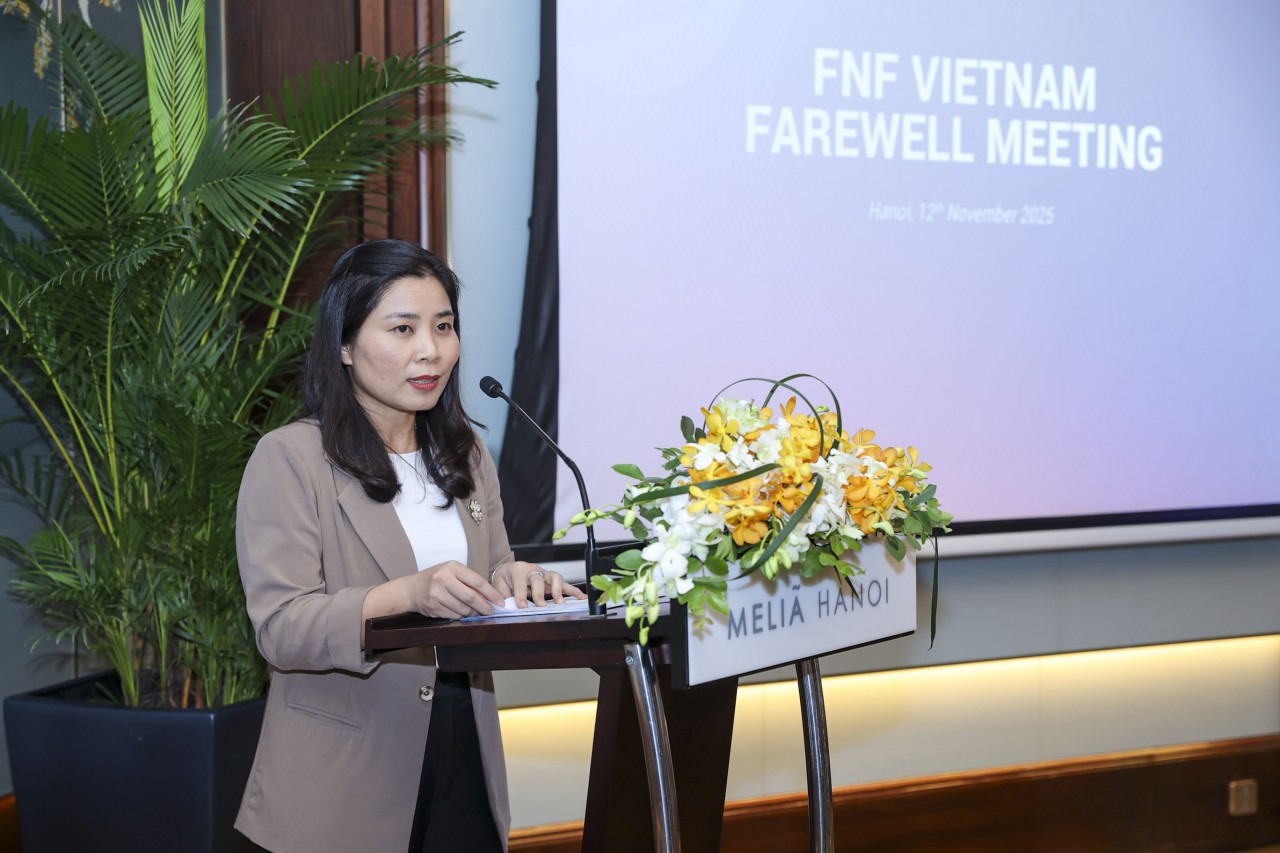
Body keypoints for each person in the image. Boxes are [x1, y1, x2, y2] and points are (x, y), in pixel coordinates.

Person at [234, 239, 585, 853]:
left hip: (462, 743)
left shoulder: (468, 456)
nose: (431, 349)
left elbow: (493, 569)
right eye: (403, 328)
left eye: (444, 326)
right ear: (344, 345)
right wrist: (409, 594)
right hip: (346, 770)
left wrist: (517, 580)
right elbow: (282, 629)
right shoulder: (291, 459)